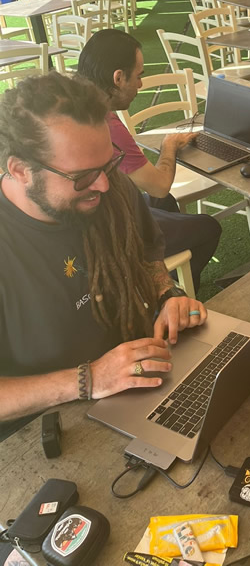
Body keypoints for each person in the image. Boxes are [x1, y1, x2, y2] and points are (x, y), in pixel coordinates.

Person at [0, 72, 208, 427]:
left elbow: (146, 253)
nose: (104, 184)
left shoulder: (112, 189)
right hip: (52, 427)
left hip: (142, 386)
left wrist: (166, 295)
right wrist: (91, 378)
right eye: (82, 176)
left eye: (108, 164)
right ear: (21, 170)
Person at [77, 29, 221, 288]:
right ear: (118, 78)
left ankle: (167, 269)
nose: (140, 85)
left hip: (94, 217)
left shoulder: (78, 105)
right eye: (138, 76)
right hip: (109, 227)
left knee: (165, 202)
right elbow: (159, 185)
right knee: (209, 228)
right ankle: (165, 292)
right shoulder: (107, 125)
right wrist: (169, 146)